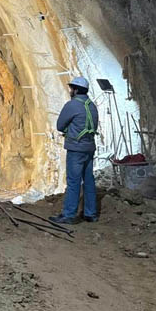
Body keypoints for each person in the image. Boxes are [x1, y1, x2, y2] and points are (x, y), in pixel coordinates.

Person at [50, 77, 100, 224]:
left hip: (76, 149)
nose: (70, 91)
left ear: (76, 90)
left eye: (71, 88)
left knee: (73, 181)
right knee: (89, 180)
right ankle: (91, 213)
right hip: (89, 147)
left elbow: (60, 126)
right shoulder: (92, 106)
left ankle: (69, 214)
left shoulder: (72, 105)